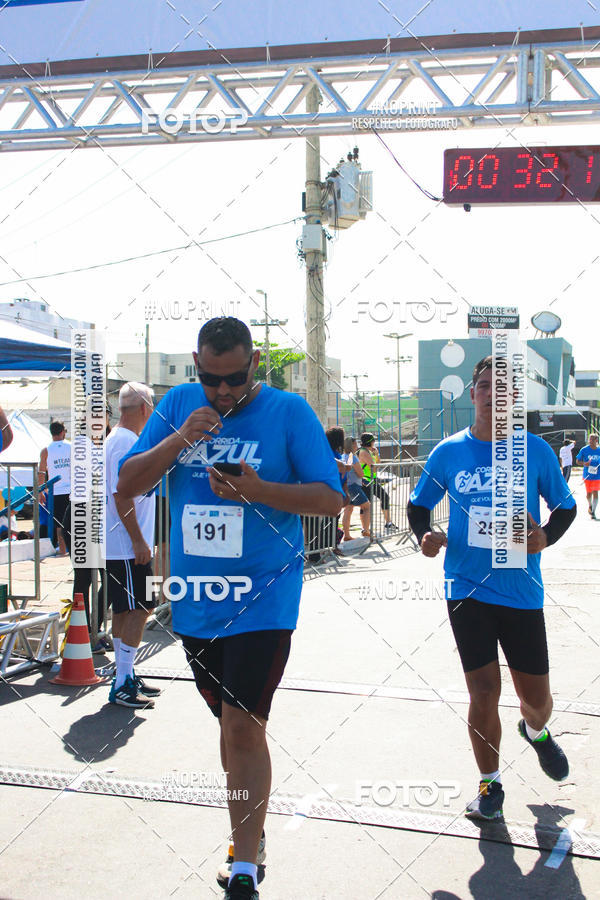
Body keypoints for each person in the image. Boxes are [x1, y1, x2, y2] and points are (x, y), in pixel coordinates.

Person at [118, 317, 343, 900]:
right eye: (210, 378)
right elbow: (128, 482)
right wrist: (177, 441)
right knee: (229, 728)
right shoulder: (178, 404)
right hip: (195, 604)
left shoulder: (289, 412)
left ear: (254, 365)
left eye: (236, 378)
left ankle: (244, 861)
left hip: (265, 597)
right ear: (197, 364)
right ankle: (251, 827)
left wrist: (260, 490)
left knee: (243, 726)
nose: (222, 391)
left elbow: (330, 498)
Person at [407, 355, 576, 821]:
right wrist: (424, 536)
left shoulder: (535, 452)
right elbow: (419, 505)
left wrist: (545, 536)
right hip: (465, 587)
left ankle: (536, 732)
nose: (492, 394)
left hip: (520, 590)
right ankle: (489, 784)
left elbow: (565, 508)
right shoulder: (448, 453)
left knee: (536, 701)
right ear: (473, 392)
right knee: (483, 690)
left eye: (502, 389)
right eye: (484, 385)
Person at [104, 382, 161, 708]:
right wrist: (139, 540)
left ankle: (124, 674)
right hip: (127, 543)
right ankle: (123, 679)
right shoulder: (124, 442)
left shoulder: (122, 439)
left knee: (127, 608)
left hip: (125, 542)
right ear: (144, 409)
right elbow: (120, 493)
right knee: (142, 607)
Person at [39, 421, 71, 555]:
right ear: (63, 432)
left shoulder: (46, 450)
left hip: (55, 491)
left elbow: (41, 471)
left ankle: (62, 552)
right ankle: (75, 552)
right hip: (72, 490)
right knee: (75, 522)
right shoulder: (71, 446)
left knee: (59, 525)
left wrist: (40, 490)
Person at [359, 432, 397, 532]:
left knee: (382, 498)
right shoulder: (364, 452)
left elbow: (377, 465)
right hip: (366, 481)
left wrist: (376, 454)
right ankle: (365, 529)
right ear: (370, 442)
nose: (374, 442)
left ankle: (387, 523)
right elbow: (374, 468)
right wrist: (375, 455)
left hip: (371, 480)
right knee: (366, 504)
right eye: (373, 440)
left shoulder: (368, 451)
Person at [341, 436, 370, 540]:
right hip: (354, 486)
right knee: (366, 506)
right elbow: (361, 474)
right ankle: (366, 531)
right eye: (356, 443)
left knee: (348, 510)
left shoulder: (343, 456)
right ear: (352, 445)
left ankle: (347, 535)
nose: (357, 445)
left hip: (346, 486)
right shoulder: (352, 457)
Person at [576, 433, 600, 519]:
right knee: (588, 494)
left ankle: (593, 511)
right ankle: (590, 505)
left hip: (597, 476)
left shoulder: (599, 450)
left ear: (596, 440)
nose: (590, 441)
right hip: (587, 475)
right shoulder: (584, 449)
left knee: (595, 492)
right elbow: (577, 461)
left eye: (593, 439)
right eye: (590, 439)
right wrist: (584, 463)